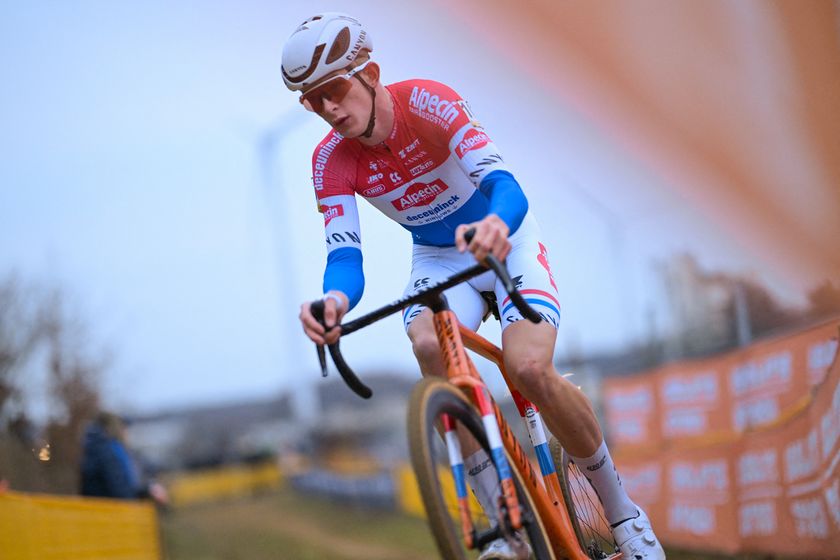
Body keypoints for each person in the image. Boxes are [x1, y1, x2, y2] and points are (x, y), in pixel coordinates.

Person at [283, 13, 665, 560]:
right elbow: (345, 257)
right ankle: (504, 529)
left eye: (334, 90)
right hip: (437, 256)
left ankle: (624, 514)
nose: (327, 110)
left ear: (370, 73)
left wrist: (496, 224)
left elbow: (506, 186)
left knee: (529, 368)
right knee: (425, 345)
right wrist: (333, 302)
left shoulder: (430, 103)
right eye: (310, 101)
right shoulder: (328, 162)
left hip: (500, 234)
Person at [80, 411, 168, 507]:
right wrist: (147, 492)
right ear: (115, 428)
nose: (127, 433)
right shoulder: (107, 451)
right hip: (109, 514)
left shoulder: (100, 448)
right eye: (125, 427)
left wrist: (147, 489)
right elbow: (121, 493)